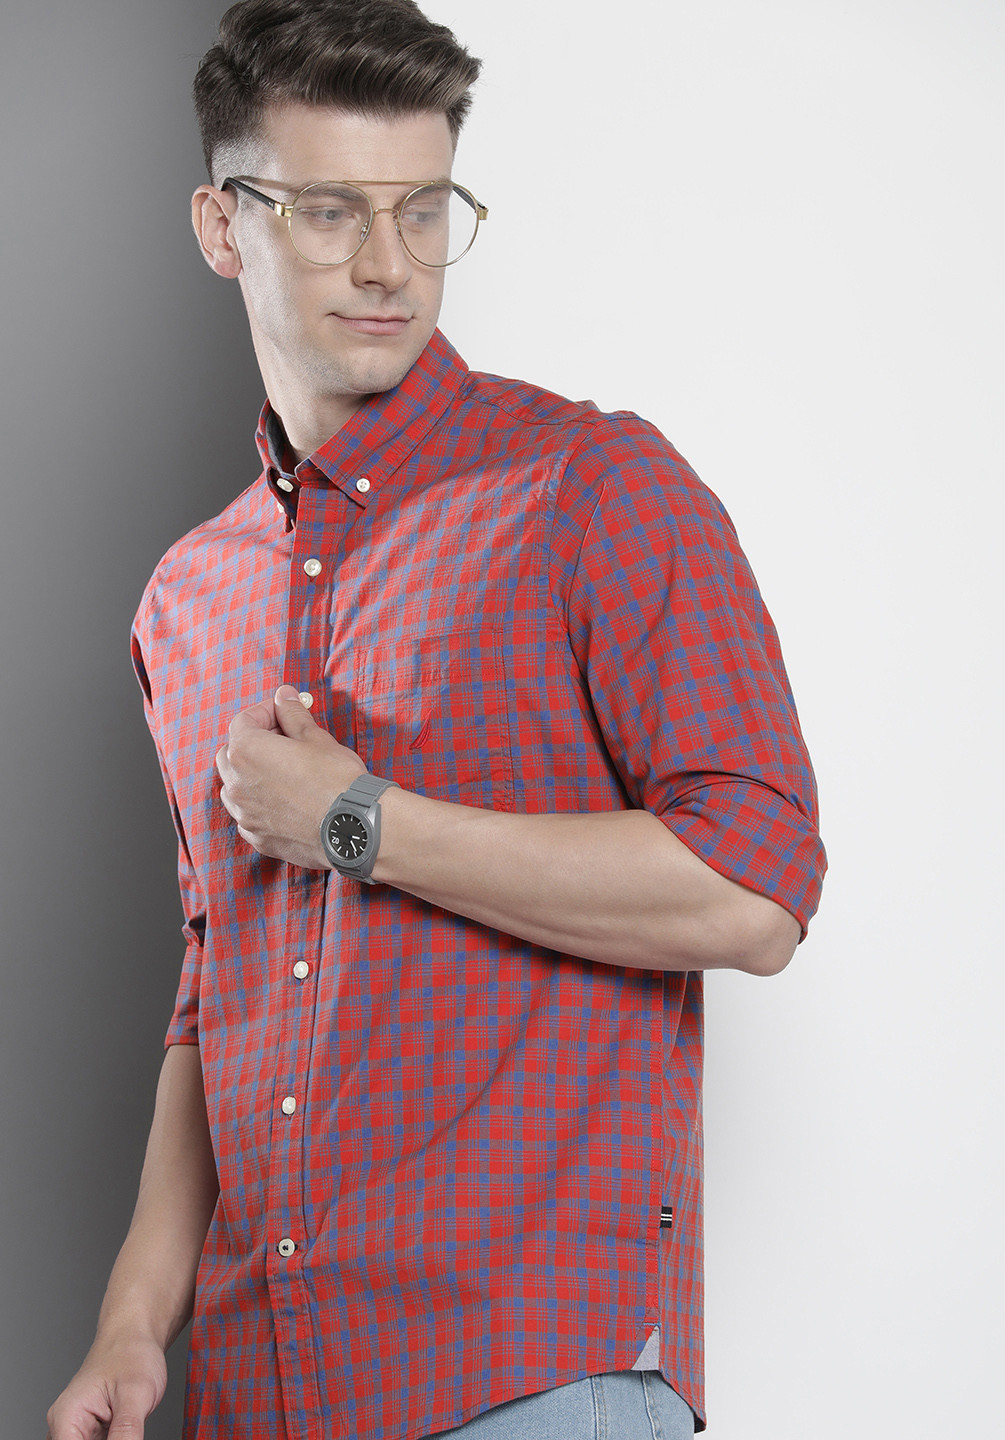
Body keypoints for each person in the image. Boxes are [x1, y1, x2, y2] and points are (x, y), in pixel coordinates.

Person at [47, 2, 826, 1436]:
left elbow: (755, 889)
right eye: (329, 211)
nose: (389, 264)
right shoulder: (185, 598)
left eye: (423, 210)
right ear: (221, 226)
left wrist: (359, 823)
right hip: (258, 1388)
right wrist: (132, 1321)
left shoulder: (588, 488)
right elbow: (215, 987)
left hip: (525, 1370)